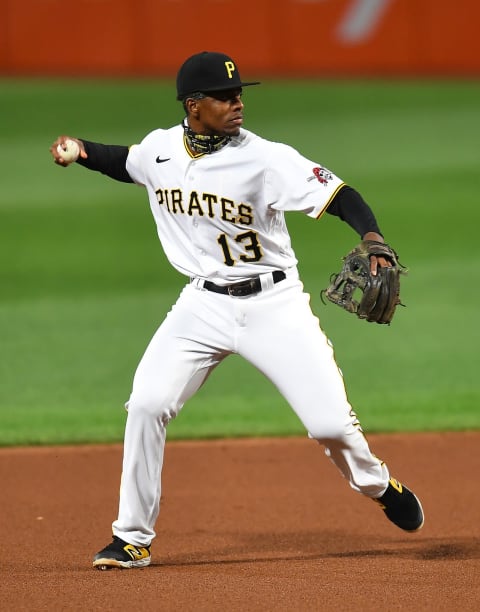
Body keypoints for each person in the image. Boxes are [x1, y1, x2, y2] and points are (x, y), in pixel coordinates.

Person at [50, 51, 424, 570]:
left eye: (239, 93)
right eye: (225, 96)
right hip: (201, 305)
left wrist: (373, 235)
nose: (238, 103)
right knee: (146, 404)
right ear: (193, 104)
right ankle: (132, 539)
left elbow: (340, 194)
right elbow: (128, 161)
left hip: (274, 305)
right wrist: (82, 151)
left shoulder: (265, 157)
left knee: (330, 426)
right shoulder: (161, 148)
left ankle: (378, 484)